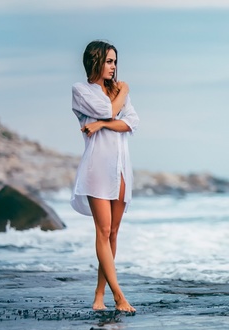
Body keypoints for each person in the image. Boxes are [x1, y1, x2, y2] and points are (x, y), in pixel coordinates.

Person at [71, 40, 139, 312]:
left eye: (115, 62)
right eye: (109, 61)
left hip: (122, 166)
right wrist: (125, 91)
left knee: (113, 233)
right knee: (102, 231)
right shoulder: (81, 90)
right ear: (96, 61)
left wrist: (101, 125)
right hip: (97, 166)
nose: (113, 67)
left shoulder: (118, 91)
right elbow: (108, 111)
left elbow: (132, 122)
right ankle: (119, 297)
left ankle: (99, 295)